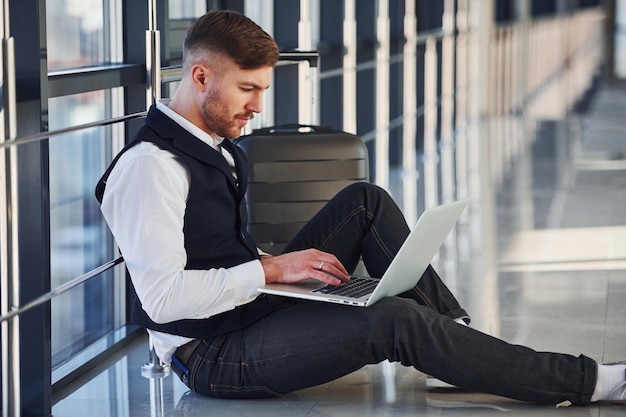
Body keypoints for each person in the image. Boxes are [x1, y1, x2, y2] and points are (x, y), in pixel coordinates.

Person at [96, 9, 625, 405]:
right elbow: (162, 302)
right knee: (393, 320)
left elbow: (214, 247)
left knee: (364, 202)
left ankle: (453, 347)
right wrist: (271, 268)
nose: (257, 105)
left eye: (261, 88)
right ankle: (585, 381)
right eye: (248, 88)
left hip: (242, 307)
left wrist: (279, 274)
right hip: (210, 354)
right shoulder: (150, 168)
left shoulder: (212, 143)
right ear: (201, 77)